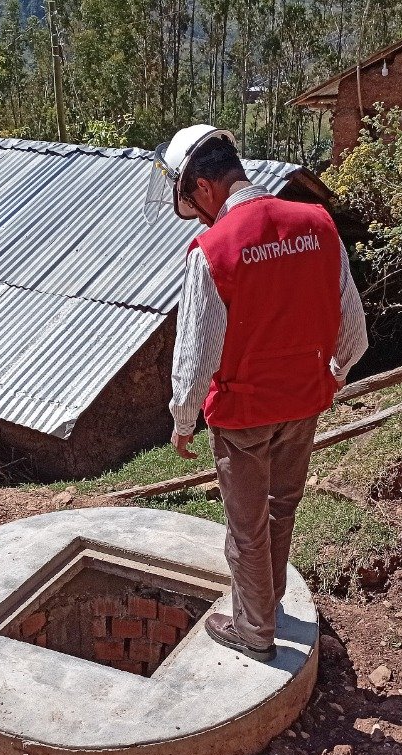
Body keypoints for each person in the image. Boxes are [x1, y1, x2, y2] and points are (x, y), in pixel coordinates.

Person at [146, 124, 368, 662]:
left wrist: (182, 420)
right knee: (282, 505)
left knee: (245, 527)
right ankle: (272, 599)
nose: (195, 215)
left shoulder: (214, 250)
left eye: (189, 201)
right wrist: (329, 375)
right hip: (304, 403)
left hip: (244, 413)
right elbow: (354, 330)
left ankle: (254, 630)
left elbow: (196, 355)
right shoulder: (318, 225)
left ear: (203, 187)